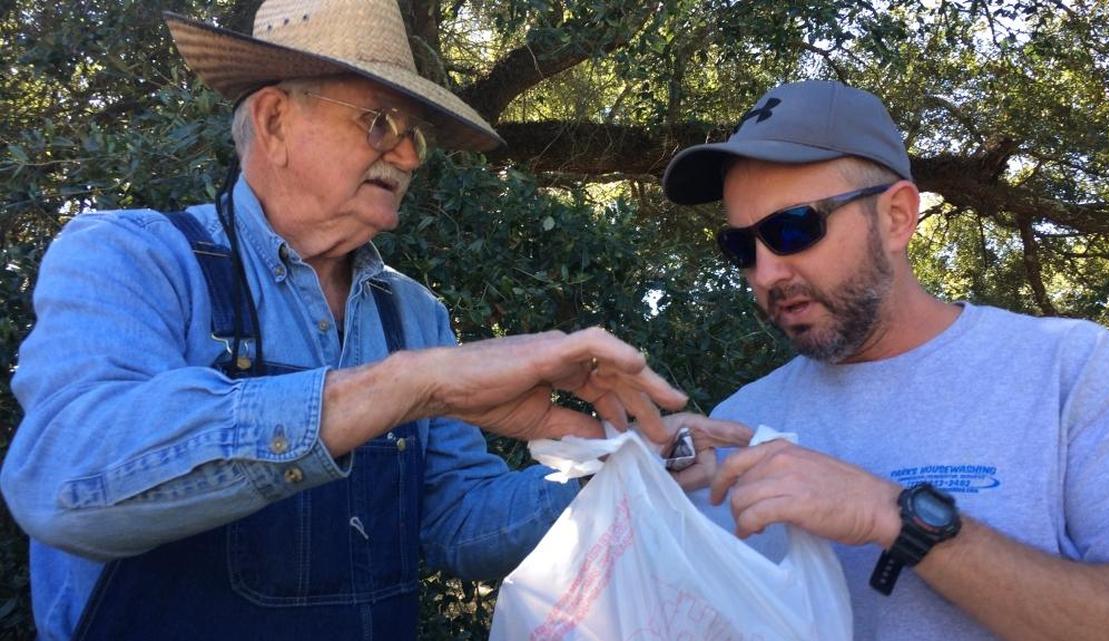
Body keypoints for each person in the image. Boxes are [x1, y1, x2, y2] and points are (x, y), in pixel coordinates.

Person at [0, 1, 753, 639]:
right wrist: (409, 386)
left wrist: (627, 469)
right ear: (273, 121)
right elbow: (60, 482)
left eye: (414, 133)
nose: (409, 154)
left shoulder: (415, 315)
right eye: (380, 120)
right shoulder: (135, 258)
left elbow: (459, 521)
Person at [661, 79, 1109, 641]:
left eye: (793, 228)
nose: (765, 274)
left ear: (896, 217)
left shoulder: (1071, 371)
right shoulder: (738, 421)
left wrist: (891, 515)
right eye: (741, 247)